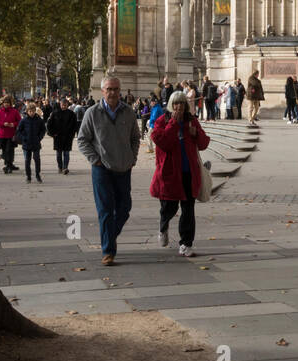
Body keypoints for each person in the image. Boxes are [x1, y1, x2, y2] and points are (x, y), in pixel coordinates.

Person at [77, 75, 140, 265]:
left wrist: (132, 158)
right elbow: (82, 140)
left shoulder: (128, 112)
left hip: (123, 167)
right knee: (105, 210)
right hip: (102, 169)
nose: (112, 92)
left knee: (124, 208)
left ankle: (109, 236)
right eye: (109, 89)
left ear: (120, 91)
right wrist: (95, 160)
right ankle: (108, 251)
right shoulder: (92, 113)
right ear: (102, 91)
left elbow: (135, 138)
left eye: (115, 89)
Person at [150, 90, 210, 258]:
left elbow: (204, 143)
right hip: (169, 174)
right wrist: (173, 125)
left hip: (189, 173)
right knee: (168, 208)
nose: (179, 107)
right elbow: (163, 142)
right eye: (176, 103)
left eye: (182, 103)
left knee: (188, 210)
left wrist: (196, 134)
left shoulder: (192, 122)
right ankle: (163, 227)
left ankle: (186, 244)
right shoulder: (162, 121)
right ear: (171, 105)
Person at [46, 97, 78, 175]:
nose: (64, 106)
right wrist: (52, 134)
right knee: (59, 154)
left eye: (65, 105)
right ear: (60, 104)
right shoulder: (55, 113)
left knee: (66, 153)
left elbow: (75, 125)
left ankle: (65, 167)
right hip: (58, 137)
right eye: (62, 105)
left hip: (68, 137)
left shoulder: (71, 114)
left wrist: (72, 134)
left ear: (67, 105)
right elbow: (49, 124)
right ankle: (60, 167)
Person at [15, 103, 46, 183]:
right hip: (27, 143)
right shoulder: (24, 120)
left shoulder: (39, 120)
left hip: (36, 143)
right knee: (27, 160)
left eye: (33, 111)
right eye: (30, 111)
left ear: (35, 111)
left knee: (37, 159)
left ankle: (37, 174)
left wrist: (39, 137)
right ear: (27, 111)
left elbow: (43, 130)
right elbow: (19, 131)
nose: (31, 113)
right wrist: (23, 138)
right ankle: (28, 176)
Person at [0, 95, 20, 175]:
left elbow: (19, 121)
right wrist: (3, 124)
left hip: (11, 135)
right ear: (2, 104)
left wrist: (13, 124)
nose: (6, 104)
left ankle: (7, 165)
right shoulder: (0, 112)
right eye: (5, 103)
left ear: (10, 104)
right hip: (2, 135)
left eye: (8, 103)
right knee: (6, 151)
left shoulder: (14, 111)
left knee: (10, 151)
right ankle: (8, 166)